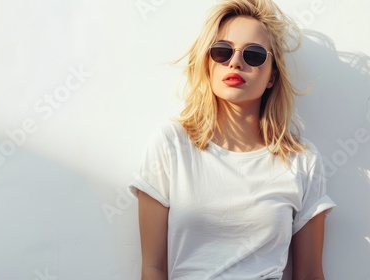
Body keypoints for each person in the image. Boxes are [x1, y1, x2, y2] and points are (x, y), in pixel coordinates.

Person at [128, 0, 336, 279]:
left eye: (253, 55)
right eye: (222, 51)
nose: (235, 62)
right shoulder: (170, 145)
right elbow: (153, 267)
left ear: (272, 76)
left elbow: (310, 274)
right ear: (208, 63)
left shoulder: (302, 161)